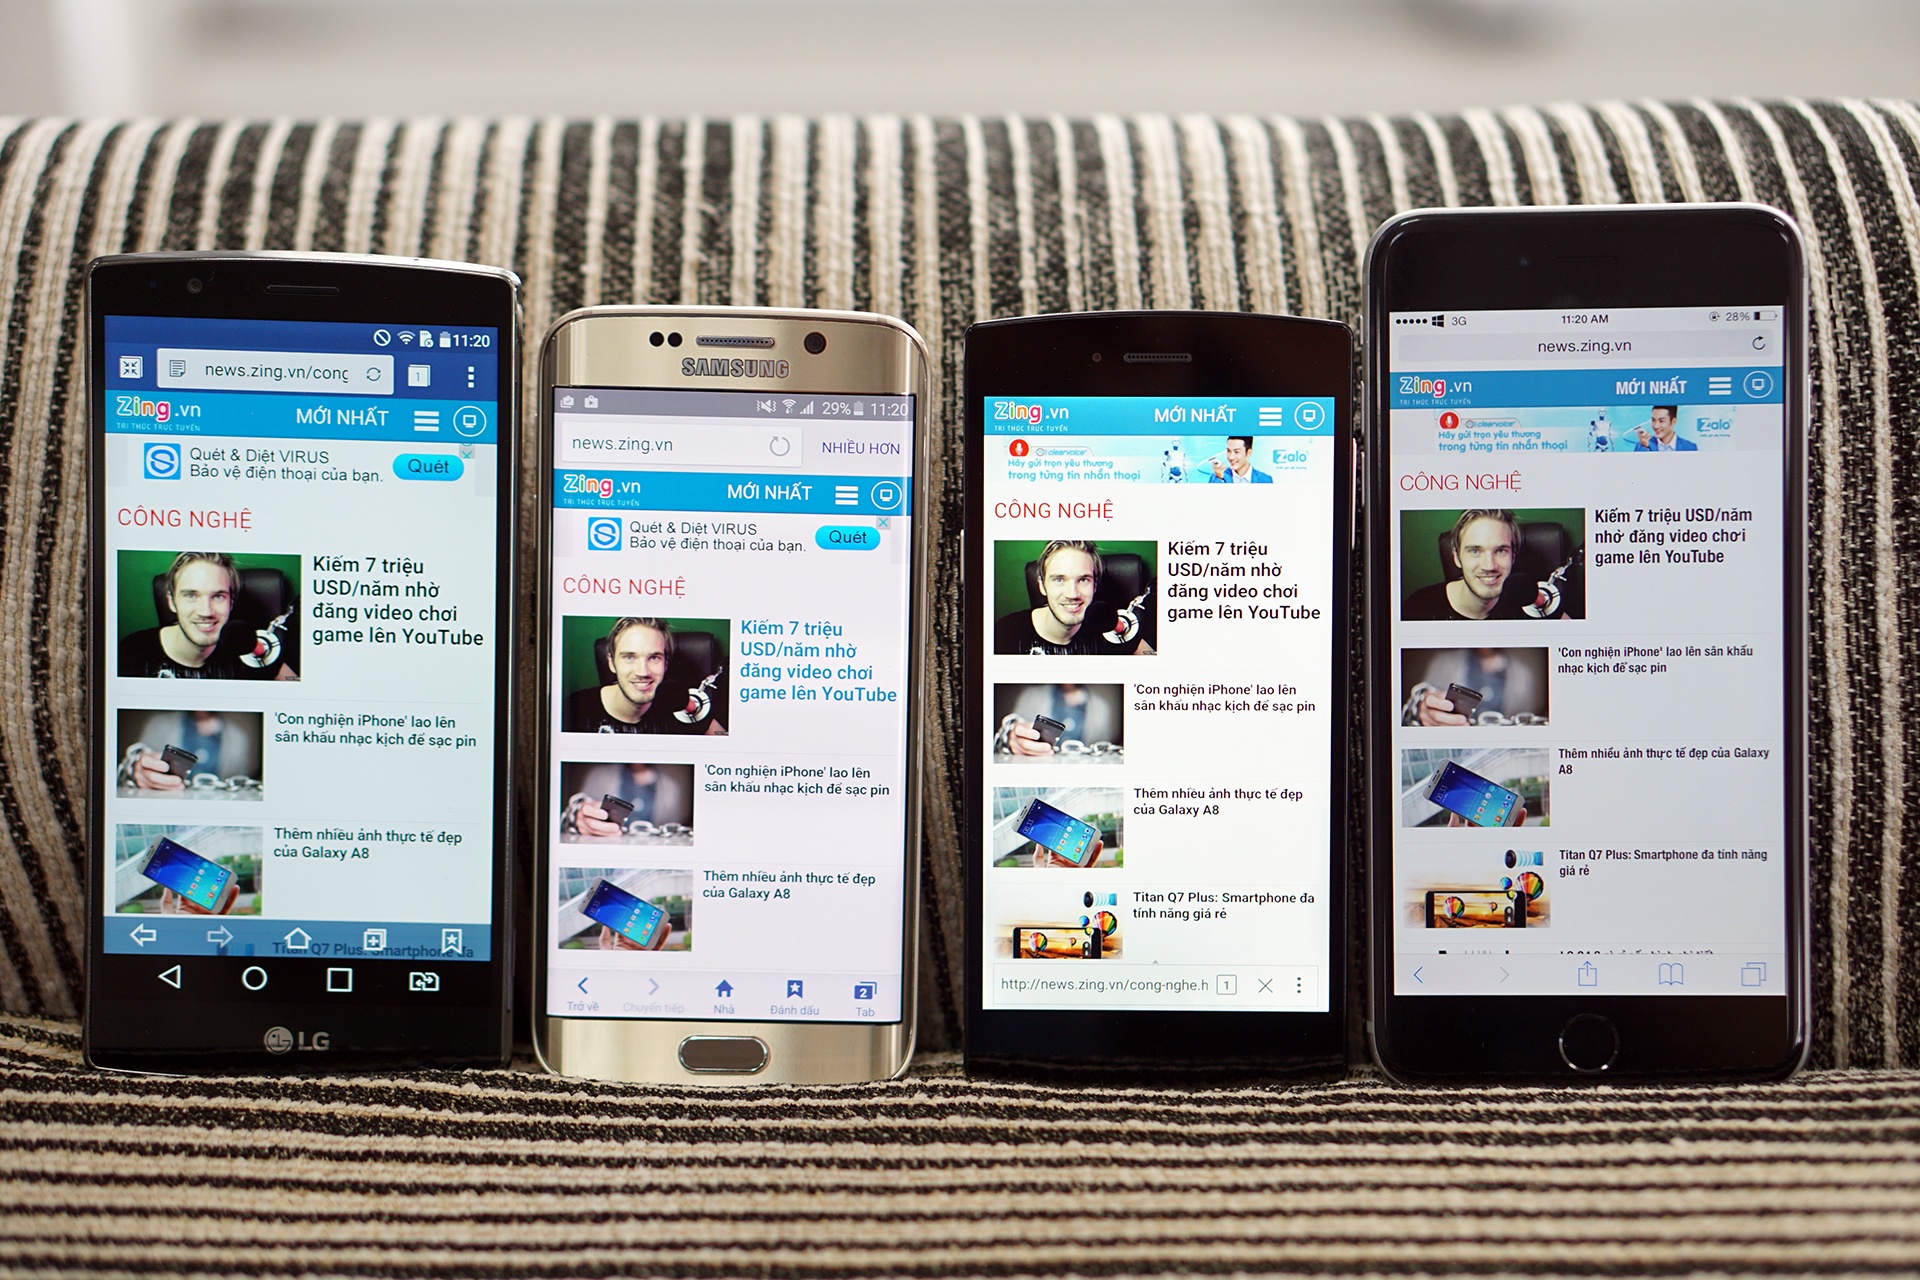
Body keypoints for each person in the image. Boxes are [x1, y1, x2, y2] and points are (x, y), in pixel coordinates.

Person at [118, 553, 298, 680]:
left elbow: (296, 690)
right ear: (171, 601)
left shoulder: (246, 648)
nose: (206, 611)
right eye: (191, 595)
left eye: (218, 596)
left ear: (231, 603)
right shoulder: (132, 653)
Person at [562, 617, 727, 735]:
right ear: (611, 663)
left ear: (666, 663)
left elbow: (726, 747)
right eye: (629, 657)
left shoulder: (679, 705)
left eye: (654, 658)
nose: (643, 672)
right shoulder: (575, 710)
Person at [994, 540, 1155, 656]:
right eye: (1059, 580)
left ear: (1094, 585)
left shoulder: (1108, 628)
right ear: (1042, 585)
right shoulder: (1008, 632)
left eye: (1083, 580)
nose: (1072, 594)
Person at [1403, 510, 1536, 621]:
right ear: (1456, 557)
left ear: (1513, 556)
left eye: (1500, 551)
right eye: (1475, 551)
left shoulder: (1526, 608)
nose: (1489, 566)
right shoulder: (1419, 608)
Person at [1404, 648, 1546, 726]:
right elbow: (1426, 702)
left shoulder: (1523, 672)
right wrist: (1423, 712)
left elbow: (1527, 717)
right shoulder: (1443, 663)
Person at [565, 762, 692, 839]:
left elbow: (673, 828)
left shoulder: (670, 786)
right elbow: (581, 812)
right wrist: (579, 819)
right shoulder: (599, 776)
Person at [1208, 435, 1273, 483]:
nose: (1231, 457)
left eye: (1236, 452)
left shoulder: (1265, 480)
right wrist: (1220, 478)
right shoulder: (1216, 477)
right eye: (1228, 451)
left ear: (1248, 453)